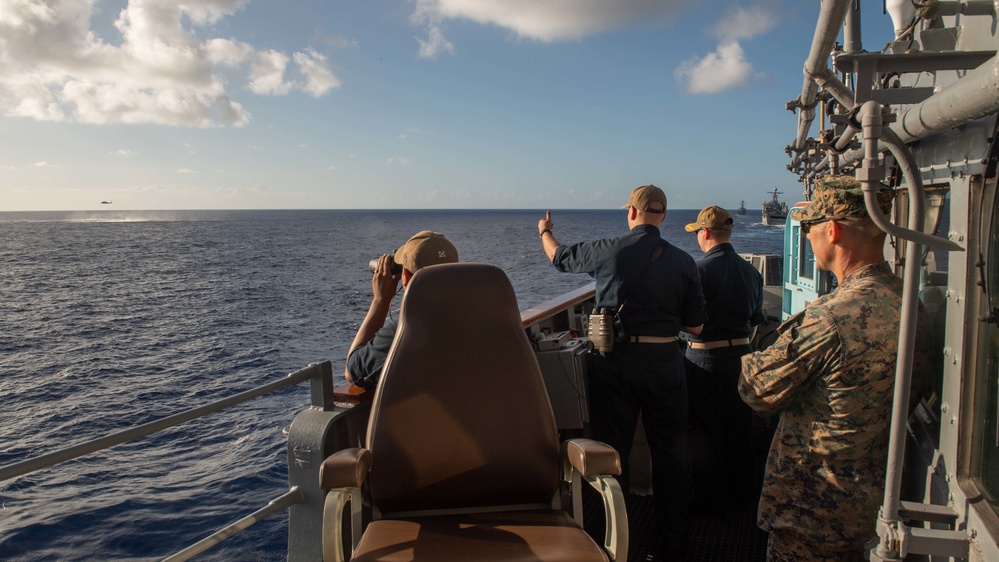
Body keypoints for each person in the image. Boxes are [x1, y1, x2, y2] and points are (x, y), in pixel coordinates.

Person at [739, 175, 915, 561]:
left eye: (809, 228)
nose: (806, 238)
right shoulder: (909, 302)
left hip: (813, 510)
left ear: (831, 230)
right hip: (875, 503)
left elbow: (756, 390)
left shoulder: (830, 319)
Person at [537, 184, 706, 556]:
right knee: (671, 455)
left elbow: (560, 258)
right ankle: (675, 544)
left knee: (613, 454)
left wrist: (545, 232)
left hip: (615, 365)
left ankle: (615, 540)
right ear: (662, 216)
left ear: (631, 213)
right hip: (664, 364)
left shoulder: (608, 249)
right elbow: (696, 328)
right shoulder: (683, 262)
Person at [683, 205, 765, 515]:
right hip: (742, 358)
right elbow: (756, 321)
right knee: (740, 431)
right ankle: (744, 501)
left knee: (704, 433)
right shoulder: (751, 272)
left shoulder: (697, 272)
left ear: (704, 233)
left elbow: (688, 322)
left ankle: (709, 504)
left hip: (704, 360)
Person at [345, 230, 459, 389]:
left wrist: (380, 301)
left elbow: (353, 372)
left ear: (405, 275)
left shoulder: (405, 331)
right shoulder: (485, 317)